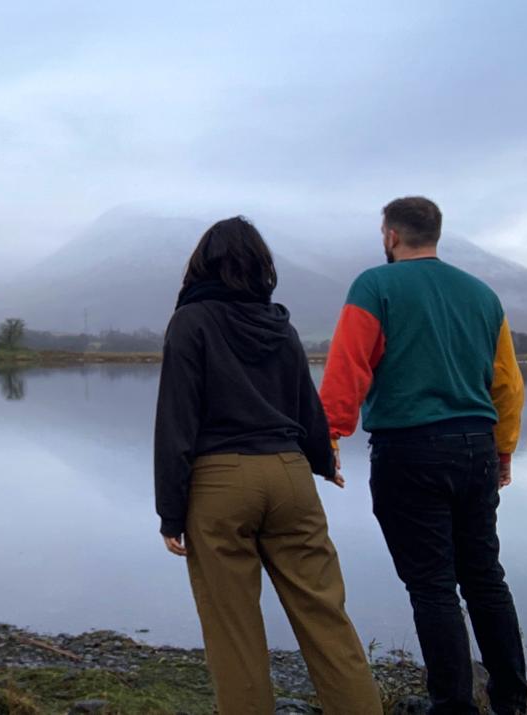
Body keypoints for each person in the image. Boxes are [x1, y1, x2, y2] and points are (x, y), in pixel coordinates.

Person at [154, 216, 382, 714]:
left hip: (219, 484)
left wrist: (171, 512)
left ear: (201, 265)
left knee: (233, 633)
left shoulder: (190, 322)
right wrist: (323, 463)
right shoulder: (280, 324)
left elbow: (176, 421)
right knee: (327, 620)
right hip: (290, 476)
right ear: (262, 267)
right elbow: (306, 403)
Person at [319, 196, 527, 714]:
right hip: (476, 446)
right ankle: (512, 702)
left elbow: (348, 367)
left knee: (432, 586)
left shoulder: (374, 286)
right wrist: (504, 449)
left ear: (391, 236)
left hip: (409, 451)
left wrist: (329, 436)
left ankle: (453, 706)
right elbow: (507, 383)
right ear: (435, 233)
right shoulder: (482, 295)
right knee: (485, 577)